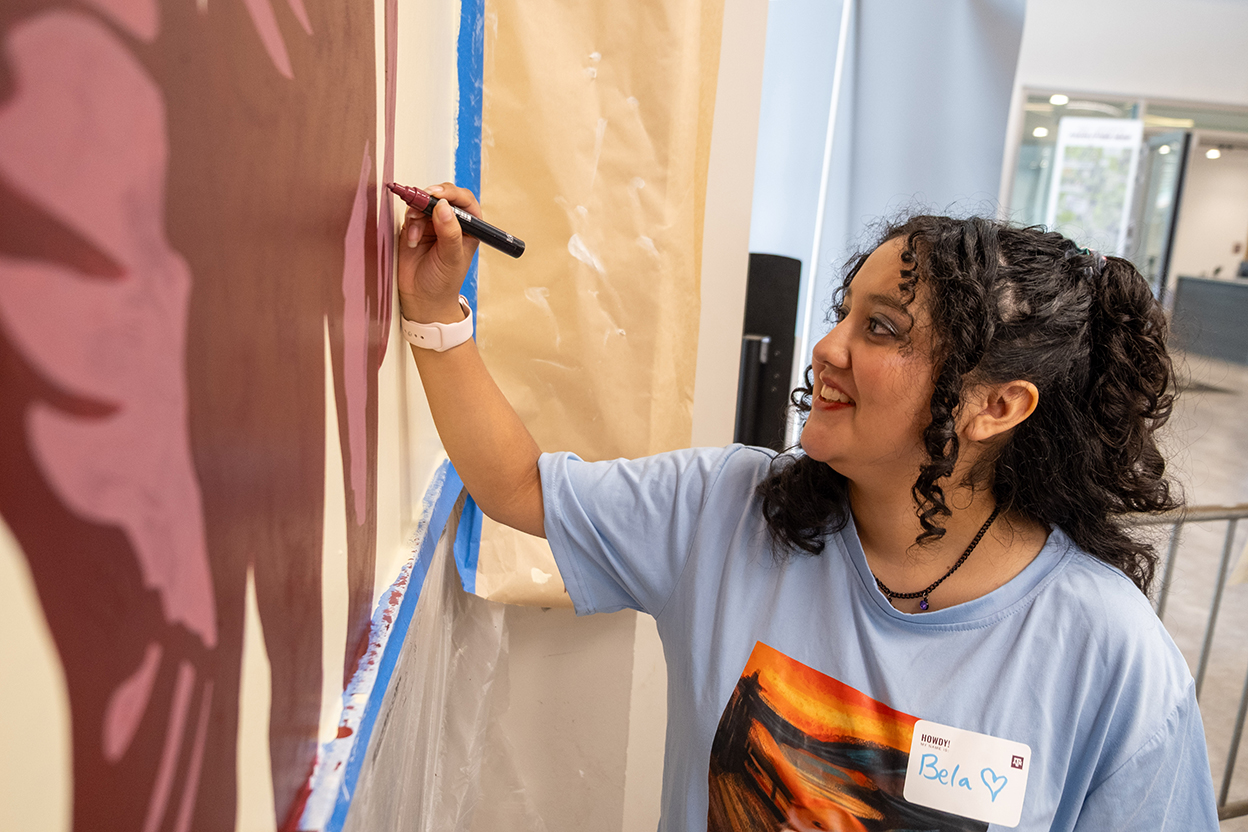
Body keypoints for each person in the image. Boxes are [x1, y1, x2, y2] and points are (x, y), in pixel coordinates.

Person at [397, 186, 1220, 831]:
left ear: (996, 406)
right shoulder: (727, 512)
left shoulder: (1111, 659)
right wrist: (435, 312)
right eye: (844, 314)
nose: (827, 348)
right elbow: (520, 487)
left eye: (883, 328)